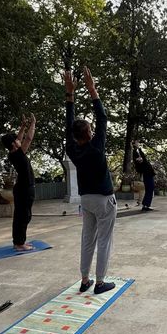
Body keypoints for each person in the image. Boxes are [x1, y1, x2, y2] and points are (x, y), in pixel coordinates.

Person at [65, 66, 116, 294]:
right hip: (104, 201)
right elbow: (103, 117)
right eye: (91, 128)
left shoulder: (73, 149)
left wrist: (70, 96)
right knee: (104, 240)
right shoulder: (96, 147)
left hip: (86, 200)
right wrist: (91, 89)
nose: (94, 128)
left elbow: (69, 128)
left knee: (88, 239)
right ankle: (100, 282)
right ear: (89, 133)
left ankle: (84, 279)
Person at [1, 114, 36, 251]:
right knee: (23, 216)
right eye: (16, 140)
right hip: (24, 189)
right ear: (13, 144)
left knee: (21, 216)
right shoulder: (17, 154)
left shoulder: (14, 153)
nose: (18, 139)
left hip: (23, 188)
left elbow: (20, 138)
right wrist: (33, 123)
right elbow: (28, 138)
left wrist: (22, 126)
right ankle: (19, 243)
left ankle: (18, 242)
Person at [132, 139, 156, 211]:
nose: (138, 143)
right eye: (137, 143)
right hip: (147, 174)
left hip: (148, 173)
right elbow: (142, 157)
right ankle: (145, 205)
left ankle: (145, 205)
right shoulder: (136, 156)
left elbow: (142, 156)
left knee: (150, 189)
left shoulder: (138, 154)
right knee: (150, 188)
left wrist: (137, 148)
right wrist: (137, 147)